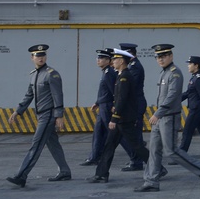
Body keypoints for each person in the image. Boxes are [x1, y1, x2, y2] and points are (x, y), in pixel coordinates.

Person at [135, 44, 200, 192]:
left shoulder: (175, 74)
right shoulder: (164, 73)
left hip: (168, 117)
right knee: (154, 148)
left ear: (171, 56)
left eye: (163, 56)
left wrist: (158, 113)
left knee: (171, 151)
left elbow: (171, 96)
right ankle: (151, 181)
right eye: (158, 57)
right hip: (161, 118)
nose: (160, 59)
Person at [6, 45, 71, 187]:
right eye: (37, 55)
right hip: (41, 115)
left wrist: (59, 115)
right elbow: (29, 95)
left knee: (36, 145)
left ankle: (21, 175)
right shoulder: (34, 75)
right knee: (53, 143)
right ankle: (65, 171)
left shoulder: (51, 74)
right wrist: (18, 111)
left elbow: (58, 95)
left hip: (49, 114)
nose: (40, 58)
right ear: (32, 58)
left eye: (43, 55)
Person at [88, 49, 150, 183]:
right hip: (122, 117)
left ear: (121, 61)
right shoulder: (121, 75)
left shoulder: (124, 77)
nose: (113, 62)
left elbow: (122, 99)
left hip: (124, 119)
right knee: (109, 146)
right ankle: (101, 174)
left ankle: (157, 167)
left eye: (115, 59)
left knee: (137, 146)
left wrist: (114, 118)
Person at [81, 49, 117, 166]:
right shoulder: (105, 72)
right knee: (98, 132)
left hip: (107, 106)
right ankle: (94, 157)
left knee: (114, 133)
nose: (98, 60)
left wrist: (114, 105)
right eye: (98, 58)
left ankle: (135, 155)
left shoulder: (109, 73)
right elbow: (104, 91)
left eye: (101, 58)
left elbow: (114, 91)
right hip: (102, 105)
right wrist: (97, 102)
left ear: (108, 60)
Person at [118, 42, 148, 172]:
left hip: (135, 104)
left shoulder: (134, 67)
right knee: (129, 135)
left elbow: (130, 86)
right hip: (134, 103)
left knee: (134, 135)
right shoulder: (132, 65)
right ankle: (136, 160)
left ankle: (137, 161)